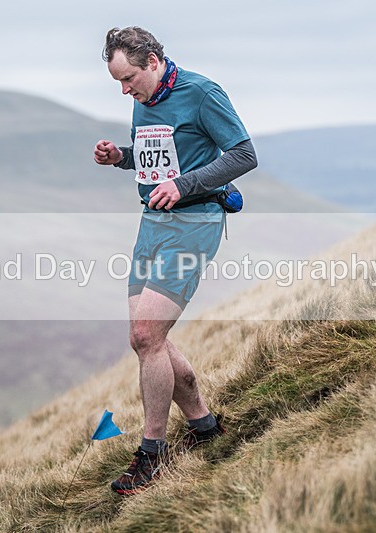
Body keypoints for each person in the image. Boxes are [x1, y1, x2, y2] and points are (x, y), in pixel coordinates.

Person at [93, 26, 257, 495]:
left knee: (147, 335)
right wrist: (120, 158)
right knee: (147, 340)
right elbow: (155, 160)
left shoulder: (202, 92)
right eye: (118, 84)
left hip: (194, 222)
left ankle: (152, 454)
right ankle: (204, 427)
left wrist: (185, 186)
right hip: (151, 223)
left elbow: (244, 154)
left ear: (152, 61)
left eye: (128, 79)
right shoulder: (142, 101)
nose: (125, 90)